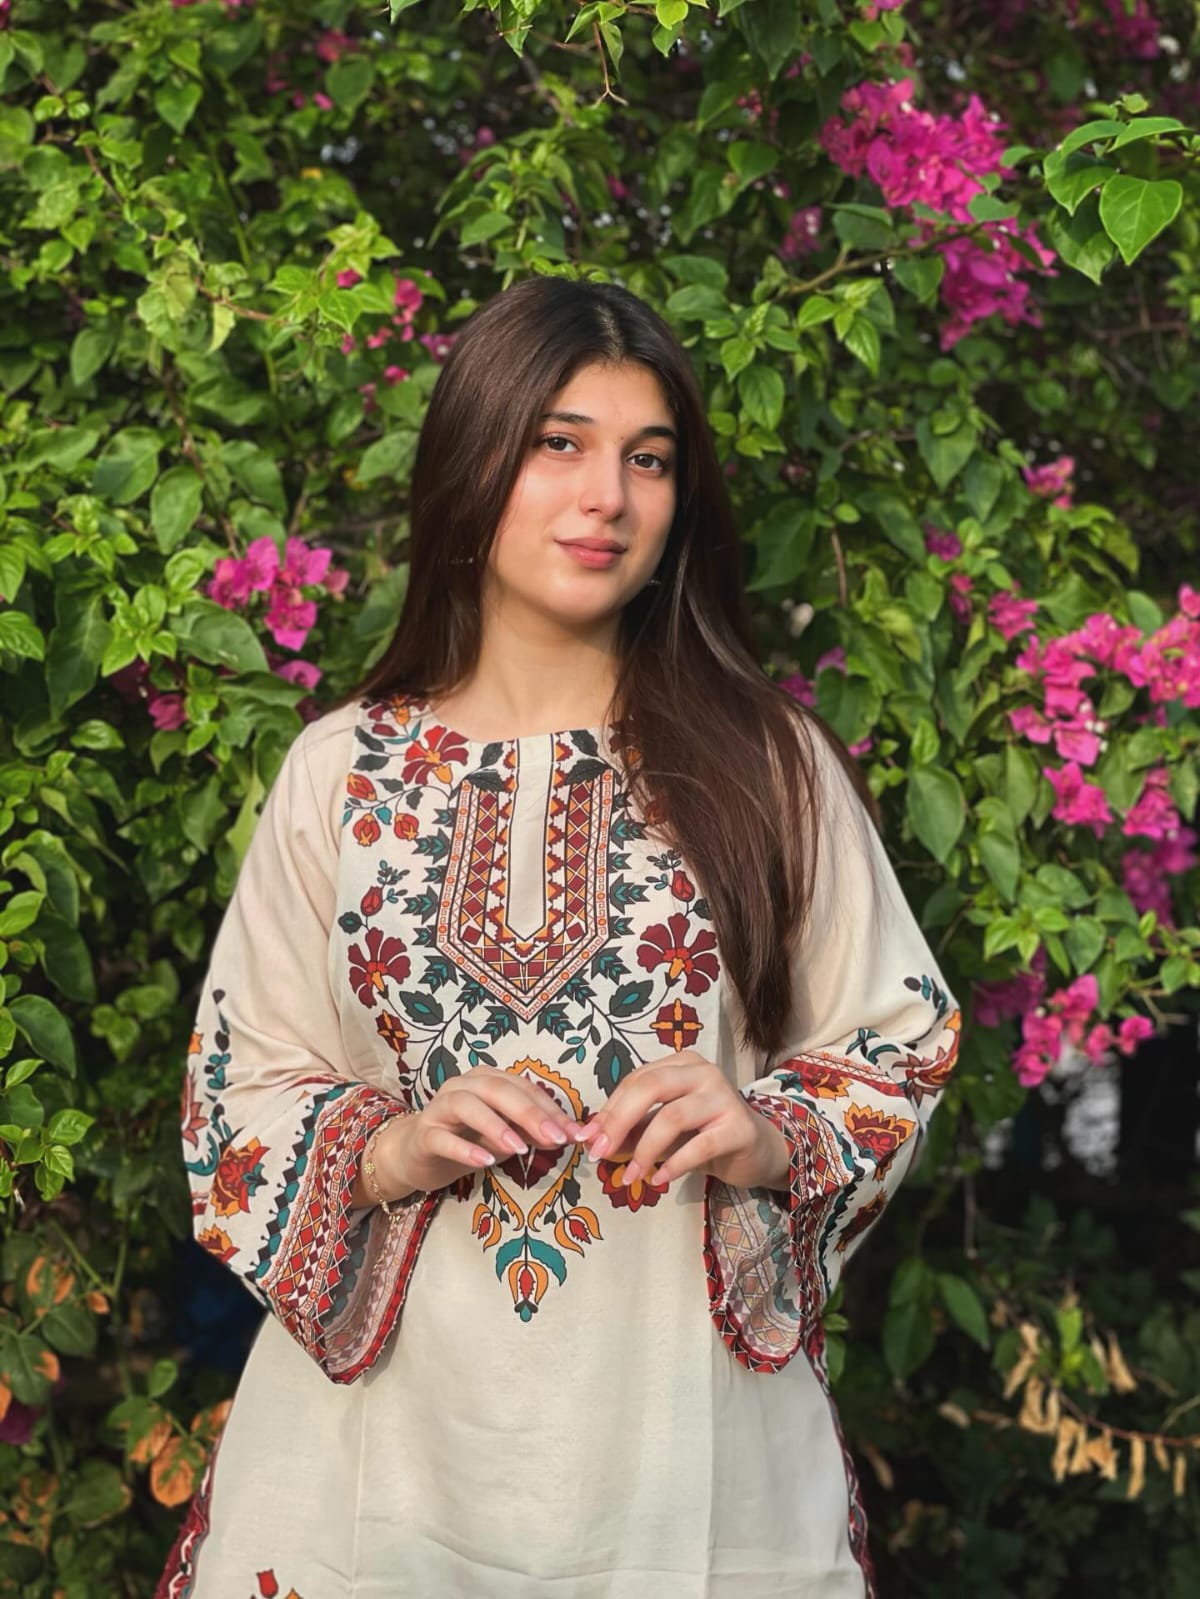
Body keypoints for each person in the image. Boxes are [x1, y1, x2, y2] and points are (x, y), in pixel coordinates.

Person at [158, 276, 962, 1599]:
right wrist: (392, 1142)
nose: (609, 498)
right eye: (561, 444)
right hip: (378, 1471)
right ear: (475, 459)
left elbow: (900, 1043)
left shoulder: (769, 766)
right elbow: (230, 1099)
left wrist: (766, 1131)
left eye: (650, 461)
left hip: (687, 1460)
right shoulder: (339, 773)